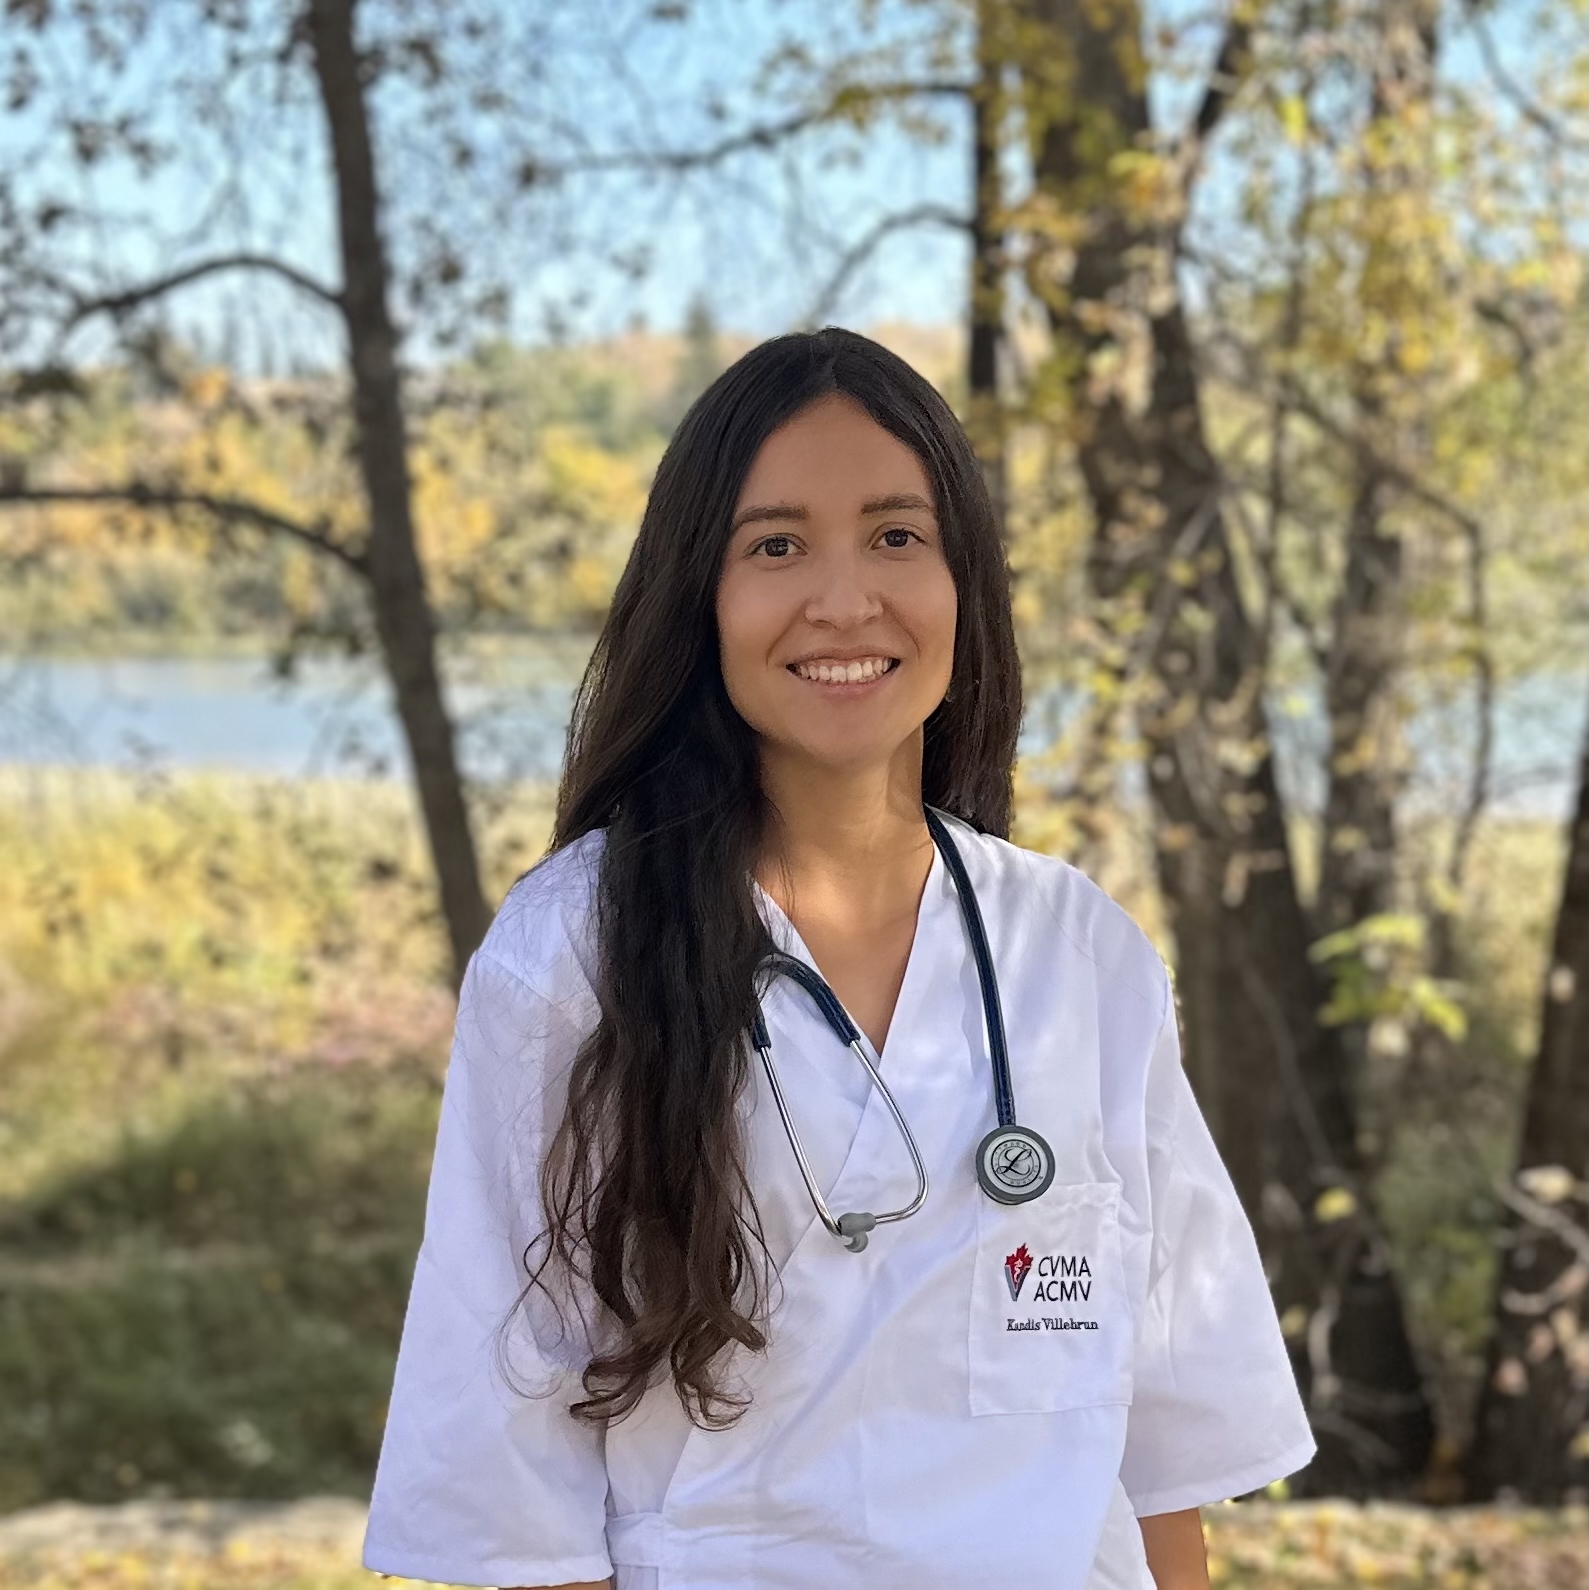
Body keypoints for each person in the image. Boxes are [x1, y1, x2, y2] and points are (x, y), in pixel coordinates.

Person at [360, 327, 1315, 1590]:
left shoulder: (1081, 957)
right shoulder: (569, 958)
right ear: (699, 595)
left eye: (894, 536)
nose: (844, 598)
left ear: (961, 579)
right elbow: (509, 1488)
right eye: (775, 546)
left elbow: (1166, 1443)